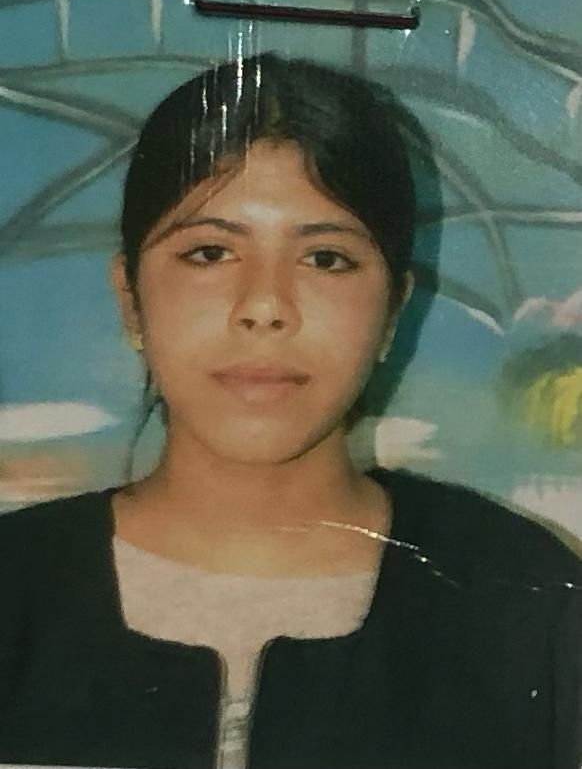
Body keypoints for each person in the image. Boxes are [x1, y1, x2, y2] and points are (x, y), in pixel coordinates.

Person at [0, 53, 580, 769]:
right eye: (209, 252)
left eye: (326, 259)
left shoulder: (524, 598)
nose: (266, 306)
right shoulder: (14, 589)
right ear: (130, 299)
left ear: (392, 312)